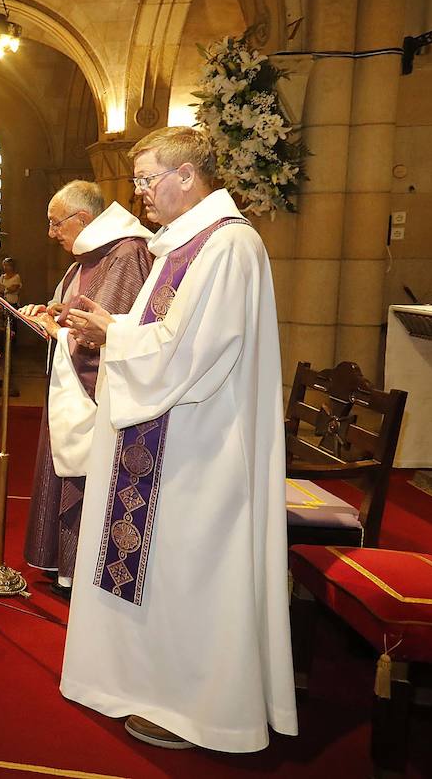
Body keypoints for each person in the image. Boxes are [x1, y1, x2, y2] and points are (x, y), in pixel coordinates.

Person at [57, 126, 296, 752]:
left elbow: (196, 351)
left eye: (147, 179)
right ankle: (144, 682)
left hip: (201, 444)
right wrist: (112, 328)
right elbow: (159, 331)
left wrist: (117, 337)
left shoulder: (229, 247)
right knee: (159, 567)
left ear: (187, 177)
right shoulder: (180, 247)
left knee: (192, 569)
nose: (140, 194)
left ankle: (197, 707)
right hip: (165, 436)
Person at [19, 180, 152, 595]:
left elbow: (107, 335)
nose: (51, 232)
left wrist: (56, 332)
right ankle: (63, 567)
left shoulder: (126, 254)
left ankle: (86, 575)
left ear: (84, 219)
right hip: (68, 390)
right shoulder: (83, 260)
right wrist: (54, 315)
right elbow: (76, 319)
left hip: (94, 399)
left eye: (56, 223)